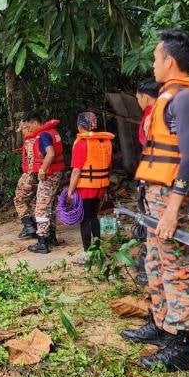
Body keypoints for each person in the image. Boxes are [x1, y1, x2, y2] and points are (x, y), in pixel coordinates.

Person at [120, 29, 189, 372]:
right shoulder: (169, 96)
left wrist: (174, 208)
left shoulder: (186, 98)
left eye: (155, 58)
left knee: (176, 264)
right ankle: (162, 325)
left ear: (170, 61)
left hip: (170, 196)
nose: (153, 64)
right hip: (156, 193)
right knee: (155, 261)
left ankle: (182, 345)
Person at [65, 111, 114, 265]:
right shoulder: (105, 141)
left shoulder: (81, 143)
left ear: (80, 126)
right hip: (100, 186)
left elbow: (76, 170)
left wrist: (70, 191)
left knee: (85, 220)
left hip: (86, 187)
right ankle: (98, 250)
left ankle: (88, 254)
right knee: (93, 217)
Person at [13, 112, 65, 254]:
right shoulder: (52, 132)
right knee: (50, 207)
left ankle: (42, 242)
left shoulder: (42, 135)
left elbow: (51, 153)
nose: (28, 129)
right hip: (56, 174)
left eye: (28, 126)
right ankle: (51, 237)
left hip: (48, 175)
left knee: (41, 208)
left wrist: (42, 170)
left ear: (35, 123)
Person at [132, 79, 161, 285]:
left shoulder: (153, 115)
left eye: (137, 98)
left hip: (154, 177)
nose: (138, 102)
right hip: (158, 175)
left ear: (144, 96)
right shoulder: (161, 112)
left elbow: (153, 150)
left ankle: (148, 268)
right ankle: (146, 261)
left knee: (150, 222)